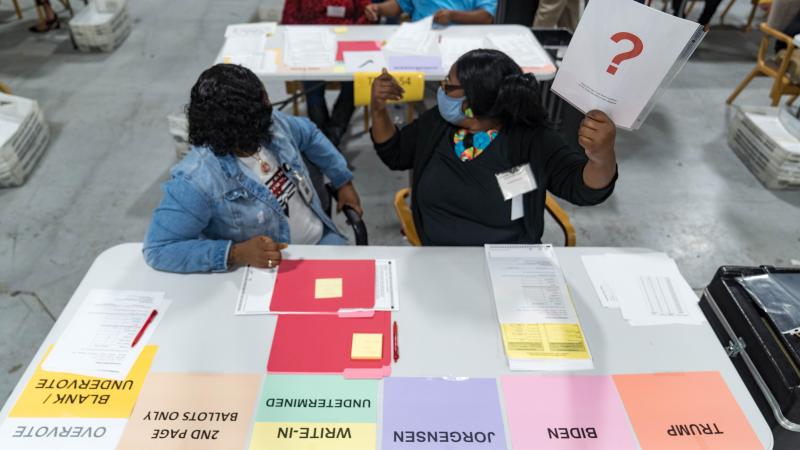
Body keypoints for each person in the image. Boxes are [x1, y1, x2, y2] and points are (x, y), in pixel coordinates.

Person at [370, 49, 618, 246]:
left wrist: (600, 157)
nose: (442, 91)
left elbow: (583, 189)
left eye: (449, 86)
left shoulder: (531, 139)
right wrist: (379, 110)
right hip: (437, 259)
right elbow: (395, 153)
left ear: (473, 101)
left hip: (509, 264)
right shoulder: (438, 123)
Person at [143, 64, 363, 273]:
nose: (270, 108)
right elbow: (159, 249)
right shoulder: (196, 180)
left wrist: (341, 180)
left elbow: (310, 134)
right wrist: (235, 253)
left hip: (323, 241)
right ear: (242, 125)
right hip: (268, 269)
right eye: (263, 106)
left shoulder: (272, 122)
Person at [281, 0, 372, 147]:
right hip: (311, 44)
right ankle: (326, 140)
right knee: (312, 87)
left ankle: (331, 136)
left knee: (354, 84)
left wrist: (351, 32)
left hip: (346, 42)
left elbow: (367, 15)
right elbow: (288, 19)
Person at [364, 0, 496, 24]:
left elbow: (486, 17)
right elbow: (400, 5)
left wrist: (453, 16)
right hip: (421, 39)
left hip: (461, 42)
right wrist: (379, 8)